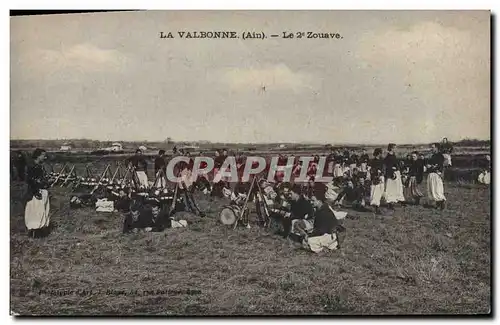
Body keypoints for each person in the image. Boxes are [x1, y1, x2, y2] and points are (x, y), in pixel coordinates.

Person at [300, 186, 344, 253]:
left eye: (313, 201)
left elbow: (321, 230)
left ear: (319, 201)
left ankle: (327, 246)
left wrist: (309, 235)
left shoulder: (324, 211)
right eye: (311, 200)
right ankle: (328, 246)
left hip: (330, 236)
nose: (311, 202)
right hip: (327, 234)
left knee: (308, 241)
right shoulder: (321, 209)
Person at [24, 149, 51, 238]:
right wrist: (36, 191)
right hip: (35, 192)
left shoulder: (39, 166)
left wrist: (46, 182)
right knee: (35, 211)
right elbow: (30, 180)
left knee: (41, 210)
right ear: (38, 155)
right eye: (43, 155)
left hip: (42, 190)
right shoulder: (32, 166)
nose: (45, 157)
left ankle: (39, 230)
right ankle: (34, 231)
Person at [383, 143, 405, 210]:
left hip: (396, 173)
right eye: (394, 148)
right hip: (392, 174)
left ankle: (399, 200)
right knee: (390, 188)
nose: (395, 149)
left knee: (398, 187)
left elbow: (395, 163)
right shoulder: (388, 156)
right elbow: (388, 166)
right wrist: (392, 173)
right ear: (391, 148)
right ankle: (390, 203)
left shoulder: (393, 155)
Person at [426, 143, 446, 209]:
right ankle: (437, 203)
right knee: (432, 189)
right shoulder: (432, 156)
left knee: (437, 189)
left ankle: (441, 202)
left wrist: (431, 166)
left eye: (433, 147)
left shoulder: (440, 156)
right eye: (431, 147)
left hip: (436, 174)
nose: (432, 148)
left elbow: (439, 165)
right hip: (431, 173)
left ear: (437, 148)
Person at [369, 148, 385, 215]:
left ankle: (376, 206)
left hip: (381, 177)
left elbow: (383, 168)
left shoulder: (381, 160)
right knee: (376, 192)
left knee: (380, 192)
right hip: (375, 178)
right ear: (379, 153)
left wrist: (382, 173)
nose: (382, 154)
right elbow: (371, 170)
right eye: (381, 153)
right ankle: (376, 207)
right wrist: (376, 171)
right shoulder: (373, 161)